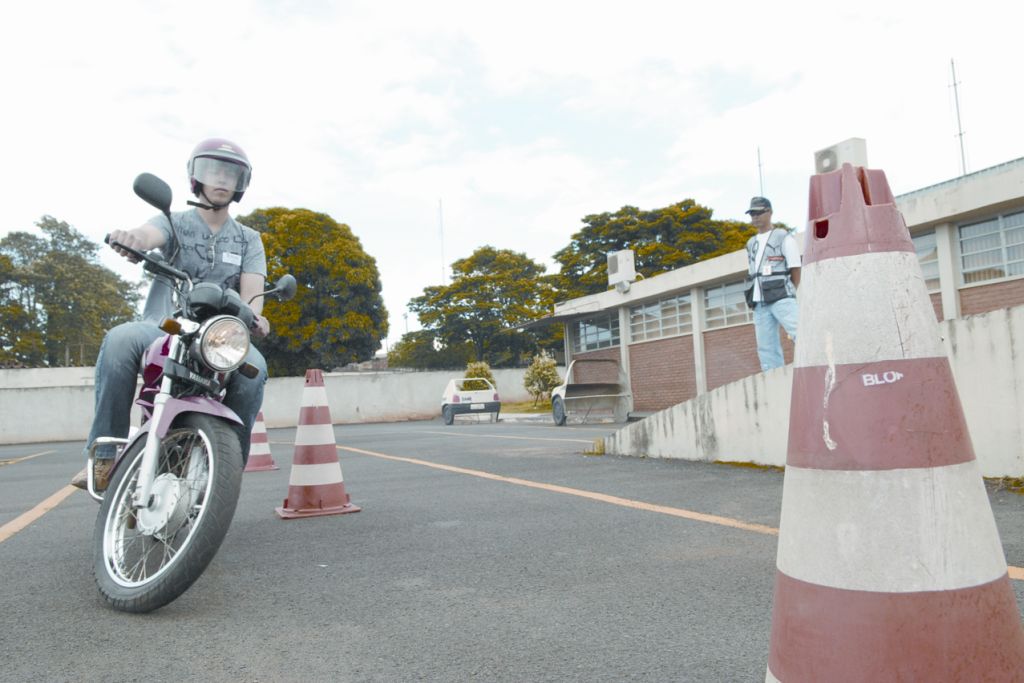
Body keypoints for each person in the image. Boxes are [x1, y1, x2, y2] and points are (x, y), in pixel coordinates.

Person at [71, 138, 270, 491]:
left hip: (220, 339)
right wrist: (132, 239)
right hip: (166, 327)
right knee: (120, 339)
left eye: (231, 174)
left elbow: (252, 294)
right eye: (214, 171)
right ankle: (105, 454)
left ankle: (227, 467)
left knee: (255, 370)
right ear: (196, 177)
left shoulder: (248, 239)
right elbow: (148, 235)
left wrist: (256, 317)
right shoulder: (173, 222)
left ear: (242, 183)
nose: (222, 180)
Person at [744, 196, 800, 371]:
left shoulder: (783, 237)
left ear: (770, 212)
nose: (755, 217)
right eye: (752, 213)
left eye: (759, 212)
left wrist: (790, 291)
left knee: (799, 332)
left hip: (781, 296)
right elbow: (752, 271)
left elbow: (795, 268)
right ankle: (772, 377)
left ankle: (815, 365)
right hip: (759, 302)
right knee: (766, 347)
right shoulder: (751, 243)